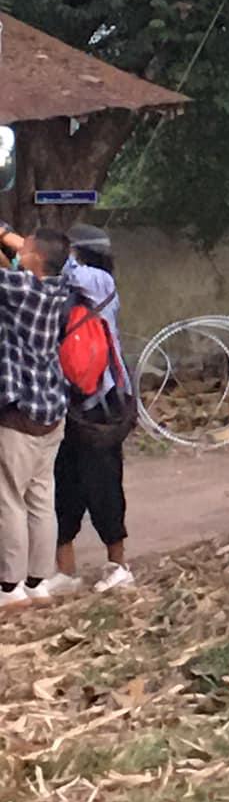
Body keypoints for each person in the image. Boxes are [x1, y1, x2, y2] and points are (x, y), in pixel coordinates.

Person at [52, 227, 134, 590]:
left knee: (104, 485)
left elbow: (57, 265)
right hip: (68, 403)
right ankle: (65, 572)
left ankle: (118, 566)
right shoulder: (60, 294)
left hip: (102, 405)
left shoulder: (100, 283)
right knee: (63, 486)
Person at [0, 227, 74, 604]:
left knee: (9, 498)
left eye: (24, 247)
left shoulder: (23, 290)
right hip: (51, 410)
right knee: (41, 497)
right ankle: (37, 580)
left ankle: (9, 587)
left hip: (21, 413)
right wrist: (8, 235)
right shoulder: (60, 286)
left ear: (34, 259)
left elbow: (9, 274)